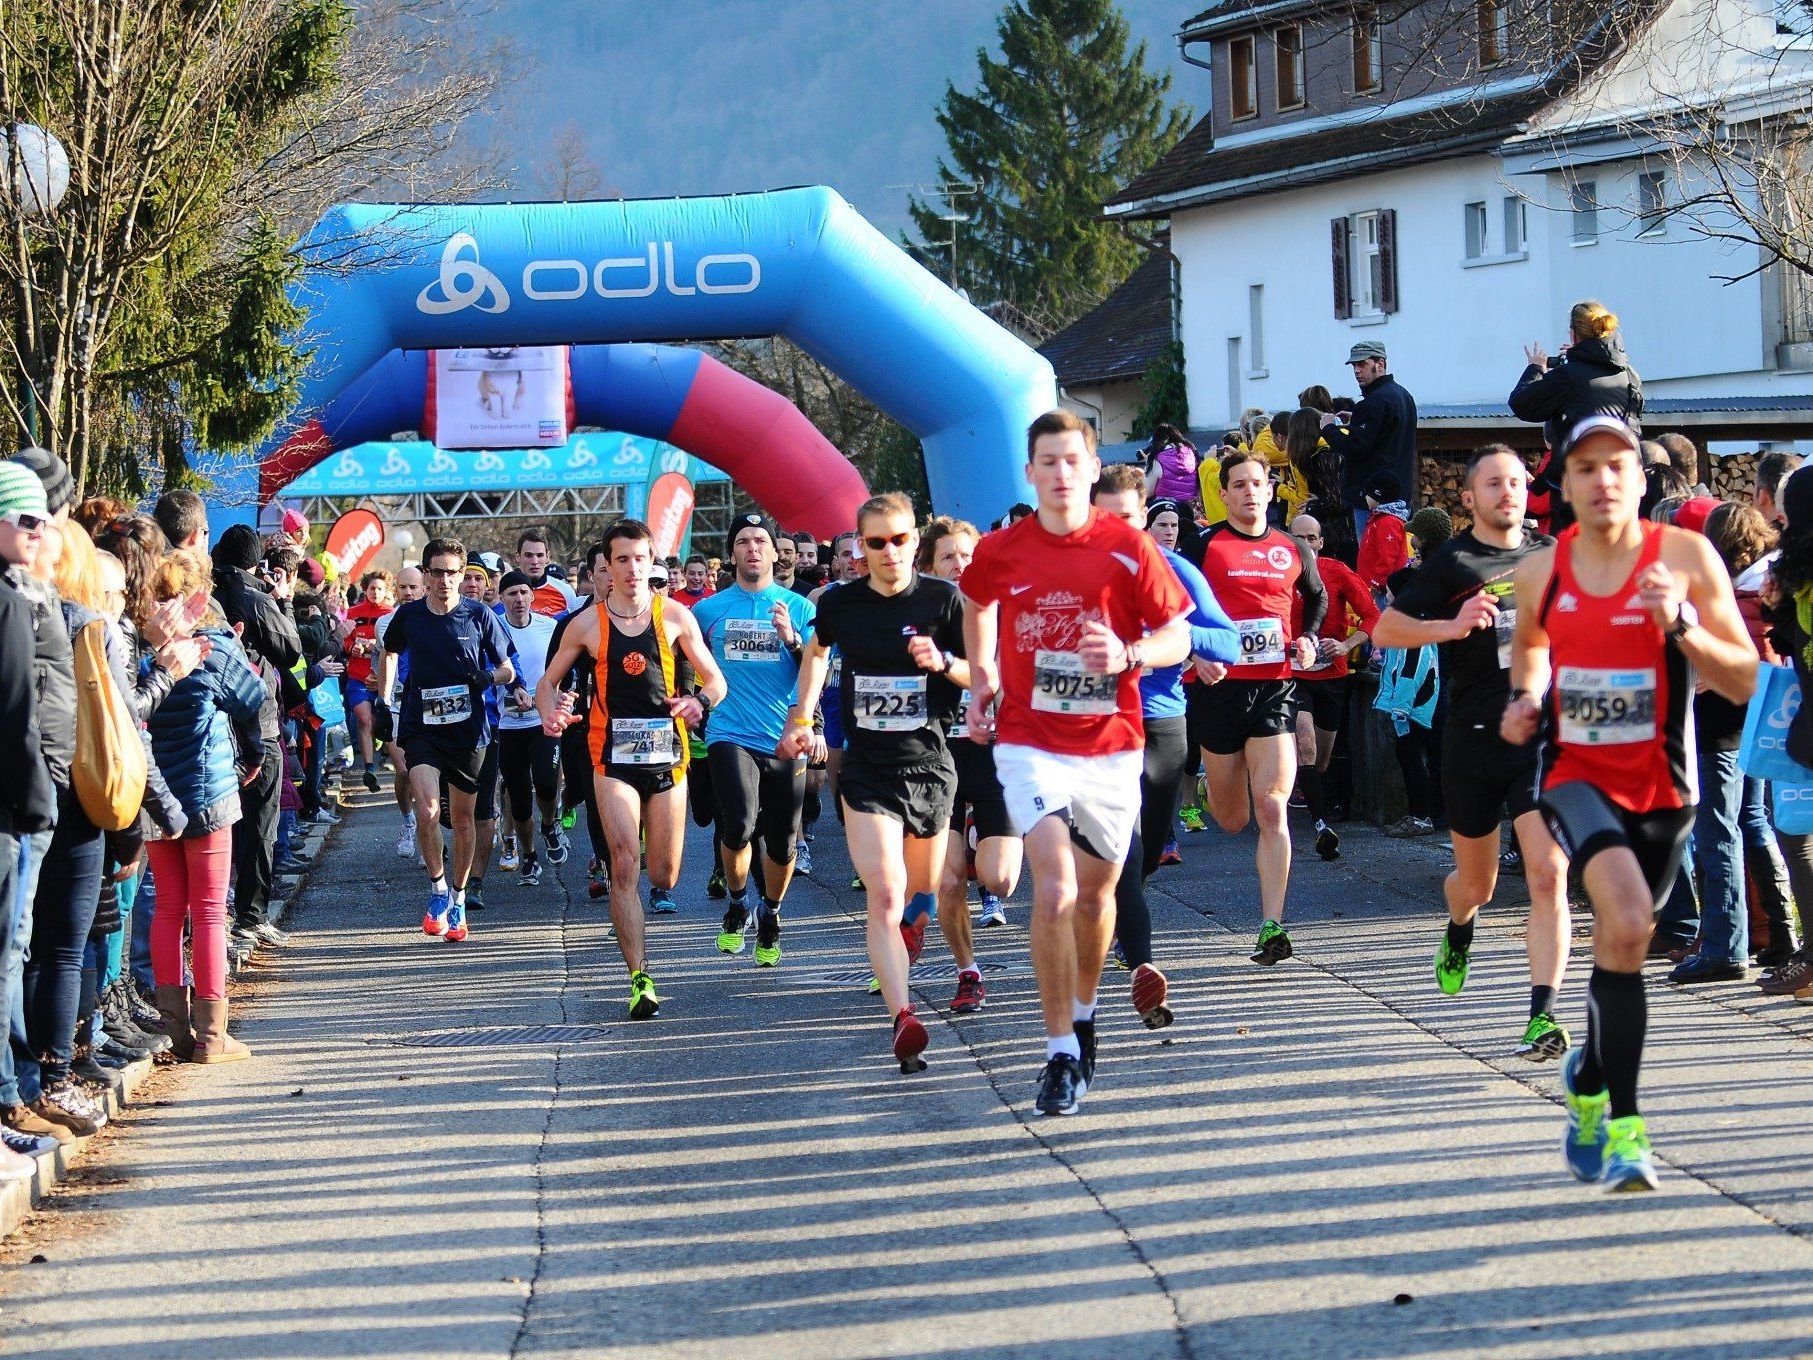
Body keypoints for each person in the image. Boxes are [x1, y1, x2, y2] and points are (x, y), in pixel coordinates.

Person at [1502, 414, 1756, 1192]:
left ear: (1640, 479)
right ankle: (1624, 1131)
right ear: (1565, 485)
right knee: (1627, 920)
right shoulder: (1541, 573)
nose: (1603, 480)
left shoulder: (1684, 557)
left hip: (1665, 788)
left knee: (1624, 944)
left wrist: (1677, 624)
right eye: (1585, 468)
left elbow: (1745, 679)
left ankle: (1584, 1078)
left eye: (1617, 466)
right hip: (1574, 775)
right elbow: (1531, 656)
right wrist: (1524, 698)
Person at [962, 409, 1192, 1116]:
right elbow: (974, 604)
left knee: (1096, 898)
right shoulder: (1002, 549)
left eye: (1073, 461)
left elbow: (1175, 636)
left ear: (1092, 471)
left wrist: (1127, 653)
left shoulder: (1127, 548)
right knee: (1055, 889)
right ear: (1029, 474)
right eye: (1048, 463)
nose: (1061, 474)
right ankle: (1058, 1049)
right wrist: (980, 677)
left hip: (1111, 745)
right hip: (1030, 741)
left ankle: (1085, 1015)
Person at [1373, 445, 1573, 1058]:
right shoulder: (1452, 559)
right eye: (1493, 483)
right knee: (1477, 885)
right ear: (1469, 497)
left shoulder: (1552, 555)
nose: (1507, 491)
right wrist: (1451, 625)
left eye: (1515, 481)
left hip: (1540, 733)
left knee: (1549, 871)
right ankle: (1460, 927)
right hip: (1473, 735)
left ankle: (1543, 1014)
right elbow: (1386, 630)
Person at [782, 494, 965, 1069]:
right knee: (884, 894)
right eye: (876, 542)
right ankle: (903, 1017)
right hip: (866, 769)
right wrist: (803, 715)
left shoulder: (944, 600)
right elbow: (816, 654)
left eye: (900, 539)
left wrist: (943, 663)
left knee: (921, 891)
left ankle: (916, 923)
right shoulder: (841, 603)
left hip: (930, 766)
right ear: (860, 548)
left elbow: (986, 673)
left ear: (916, 540)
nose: (890, 551)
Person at [540, 521, 724, 1019]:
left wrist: (697, 702)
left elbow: (715, 681)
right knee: (624, 863)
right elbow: (546, 682)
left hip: (668, 759)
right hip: (611, 758)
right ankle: (639, 978)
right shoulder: (587, 625)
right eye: (621, 560)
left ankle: (648, 863)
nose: (631, 568)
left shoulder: (676, 617)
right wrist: (549, 713)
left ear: (651, 562)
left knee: (663, 873)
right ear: (608, 567)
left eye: (640, 558)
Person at [1093, 468, 1239, 1028]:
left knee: (1149, 848)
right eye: (1104, 518)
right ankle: (1144, 969)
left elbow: (1222, 637)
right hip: (1098, 728)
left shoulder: (1173, 570)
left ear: (1144, 515)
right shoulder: (1074, 577)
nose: (1116, 529)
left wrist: (1162, 640)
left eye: (1127, 518)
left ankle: (1118, 911)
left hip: (1161, 721)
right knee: (1123, 849)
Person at [1196, 451, 1327, 965]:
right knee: (1231, 819)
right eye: (1239, 485)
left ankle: (1272, 924)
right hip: (1218, 688)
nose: (1250, 491)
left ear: (1270, 492)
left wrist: (1311, 639)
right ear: (1223, 494)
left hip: (1275, 686)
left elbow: (1315, 601)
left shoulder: (1292, 547)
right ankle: (1214, 782)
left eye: (1258, 483)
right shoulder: (1205, 543)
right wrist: (1194, 652)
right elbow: (1173, 600)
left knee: (1272, 806)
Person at [145, 549, 268, 1066]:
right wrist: (255, 753)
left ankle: (174, 1029)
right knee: (211, 911)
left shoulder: (141, 648)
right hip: (207, 791)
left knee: (169, 907)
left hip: (153, 795)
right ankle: (213, 1035)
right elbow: (254, 697)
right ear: (201, 596)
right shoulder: (212, 647)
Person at [689, 514, 817, 966]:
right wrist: (693, 704)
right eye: (742, 541)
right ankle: (739, 901)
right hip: (729, 733)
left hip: (783, 736)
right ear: (732, 553)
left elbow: (818, 673)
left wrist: (793, 640)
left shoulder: (799, 607)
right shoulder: (707, 610)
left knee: (782, 842)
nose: (752, 548)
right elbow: (685, 664)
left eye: (760, 540)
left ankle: (772, 912)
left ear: (774, 551)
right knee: (739, 825)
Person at [376, 537, 517, 943]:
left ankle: (458, 897)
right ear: (425, 574)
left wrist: (487, 677)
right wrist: (385, 700)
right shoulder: (410, 616)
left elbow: (507, 669)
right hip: (422, 726)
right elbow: (388, 652)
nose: (444, 580)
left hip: (468, 731)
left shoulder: (480, 616)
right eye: (436, 572)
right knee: (427, 809)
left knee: (463, 820)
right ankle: (437, 889)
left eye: (452, 572)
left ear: (463, 575)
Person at [920, 517, 1022, 1002]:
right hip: (939, 762)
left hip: (996, 761)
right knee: (948, 879)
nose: (961, 566)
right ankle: (969, 972)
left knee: (1000, 880)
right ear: (930, 567)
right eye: (949, 558)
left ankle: (985, 843)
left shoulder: (1004, 614)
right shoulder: (922, 623)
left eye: (969, 556)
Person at [0, 467, 58, 1164]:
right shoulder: (10, 602)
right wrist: (38, 801)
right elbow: (15, 714)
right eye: (32, 523)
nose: (42, 536)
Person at [211, 524, 302, 953]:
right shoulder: (256, 597)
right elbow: (291, 651)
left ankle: (218, 918)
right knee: (259, 824)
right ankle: (251, 916)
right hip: (257, 720)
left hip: (209, 727)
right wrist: (281, 600)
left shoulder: (203, 595)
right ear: (254, 562)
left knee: (216, 827)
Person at [1287, 512, 1377, 861]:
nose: (1307, 544)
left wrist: (1346, 645)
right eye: (1300, 538)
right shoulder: (1280, 573)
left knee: (1320, 759)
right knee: (1306, 743)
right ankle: (1321, 825)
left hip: (1332, 675)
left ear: (1321, 542)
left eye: (1312, 538)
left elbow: (1372, 615)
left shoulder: (1337, 571)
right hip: (1292, 675)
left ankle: (1297, 782)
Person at [494, 571, 560, 901]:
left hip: (542, 721)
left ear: (532, 596)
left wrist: (557, 694)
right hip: (508, 727)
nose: (518, 599)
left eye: (523, 592)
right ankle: (530, 856)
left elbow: (563, 668)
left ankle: (549, 823)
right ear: (500, 598)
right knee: (519, 799)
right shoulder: (493, 629)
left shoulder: (549, 627)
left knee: (547, 783)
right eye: (511, 594)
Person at [1511, 300, 1644, 457]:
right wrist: (1582, 356)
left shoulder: (1569, 376)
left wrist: (1536, 368)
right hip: (1623, 468)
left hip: (1582, 469)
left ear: (1573, 335)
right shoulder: (1631, 375)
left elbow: (1521, 404)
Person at [1321, 341, 1417, 541]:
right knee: (1397, 558)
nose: (1357, 371)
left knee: (1372, 561)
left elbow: (1356, 448)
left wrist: (1328, 428)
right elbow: (1385, 436)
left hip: (1373, 499)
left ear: (1380, 364)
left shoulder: (1374, 402)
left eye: (1362, 364)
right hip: (1400, 497)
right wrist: (1356, 419)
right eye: (1354, 366)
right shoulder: (1403, 395)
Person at [344, 569, 395, 794]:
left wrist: (379, 647)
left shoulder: (392, 614)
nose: (375, 592)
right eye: (372, 588)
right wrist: (351, 648)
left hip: (384, 678)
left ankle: (389, 753)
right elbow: (343, 641)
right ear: (365, 590)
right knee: (364, 719)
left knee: (383, 720)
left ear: (386, 592)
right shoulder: (353, 613)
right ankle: (369, 767)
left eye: (380, 589)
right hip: (358, 677)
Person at [515, 529, 577, 617]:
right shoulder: (507, 590)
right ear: (518, 557)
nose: (535, 561)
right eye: (528, 555)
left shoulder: (565, 591)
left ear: (547, 557)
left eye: (540, 555)